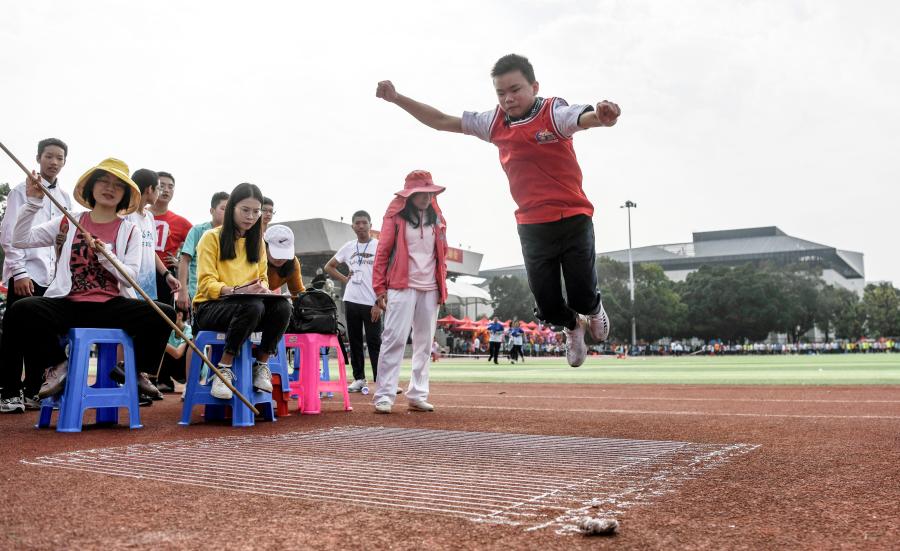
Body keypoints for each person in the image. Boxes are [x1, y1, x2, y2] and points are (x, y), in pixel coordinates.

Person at [376, 53, 618, 367]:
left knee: (582, 296)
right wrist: (397, 98)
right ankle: (572, 327)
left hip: (573, 217)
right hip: (532, 225)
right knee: (547, 307)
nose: (508, 99)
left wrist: (602, 116)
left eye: (515, 90)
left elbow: (583, 118)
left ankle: (593, 310)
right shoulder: (494, 122)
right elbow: (442, 121)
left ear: (534, 86)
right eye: (501, 93)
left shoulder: (553, 113)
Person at [0, 158, 176, 413]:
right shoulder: (70, 220)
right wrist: (34, 202)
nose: (110, 188)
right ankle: (58, 365)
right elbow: (21, 239)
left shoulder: (130, 231)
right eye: (103, 181)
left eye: (118, 185)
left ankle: (134, 370)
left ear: (126, 194)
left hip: (111, 307)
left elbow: (130, 277)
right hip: (69, 303)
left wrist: (106, 255)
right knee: (21, 309)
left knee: (164, 313)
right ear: (92, 187)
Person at [192, 182, 292, 400]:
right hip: (210, 308)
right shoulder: (211, 237)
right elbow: (206, 285)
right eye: (245, 210)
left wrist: (262, 288)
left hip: (248, 308)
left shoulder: (258, 243)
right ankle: (223, 370)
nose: (251, 217)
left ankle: (261, 365)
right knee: (252, 306)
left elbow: (263, 277)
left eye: (256, 211)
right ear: (232, 209)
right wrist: (236, 290)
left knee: (283, 306)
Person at [0, 138, 73, 410]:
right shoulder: (20, 192)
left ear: (64, 162)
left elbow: (62, 238)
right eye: (49, 156)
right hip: (25, 272)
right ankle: (9, 392)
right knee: (15, 334)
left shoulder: (64, 198)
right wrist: (19, 272)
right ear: (38, 158)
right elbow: (9, 235)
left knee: (41, 334)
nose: (54, 162)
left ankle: (33, 390)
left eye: (59, 158)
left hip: (51, 277)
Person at [371, 171, 447, 414]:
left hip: (430, 288)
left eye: (430, 193)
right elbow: (382, 252)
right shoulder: (395, 216)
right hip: (400, 286)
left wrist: (442, 287)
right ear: (410, 195)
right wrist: (379, 287)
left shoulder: (438, 217)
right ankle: (384, 395)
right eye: (421, 193)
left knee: (424, 344)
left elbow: (442, 254)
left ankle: (417, 394)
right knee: (393, 339)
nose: (426, 197)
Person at [325, 210, 382, 392]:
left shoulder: (379, 246)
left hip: (372, 302)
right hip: (351, 300)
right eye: (357, 223)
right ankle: (359, 379)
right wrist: (345, 279)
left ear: (371, 225)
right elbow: (329, 266)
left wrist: (379, 303)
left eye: (364, 223)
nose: (361, 226)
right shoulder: (349, 247)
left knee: (375, 342)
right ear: (352, 226)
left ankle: (382, 381)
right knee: (355, 341)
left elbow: (386, 275)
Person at [125, 169, 181, 301]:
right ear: (149, 189)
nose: (160, 192)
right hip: (129, 287)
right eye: (158, 188)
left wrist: (167, 274)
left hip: (148, 288)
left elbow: (151, 251)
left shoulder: (149, 217)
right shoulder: (126, 216)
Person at [175, 191, 229, 313]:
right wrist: (182, 291)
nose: (227, 213)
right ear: (212, 211)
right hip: (199, 293)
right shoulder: (198, 230)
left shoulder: (233, 235)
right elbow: (184, 260)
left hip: (225, 294)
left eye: (230, 209)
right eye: (223, 208)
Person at [150, 171, 192, 306]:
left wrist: (181, 263)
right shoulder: (138, 214)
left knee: (163, 314)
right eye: (162, 186)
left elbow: (201, 246)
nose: (166, 190)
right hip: (138, 273)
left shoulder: (181, 222)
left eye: (170, 186)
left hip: (165, 277)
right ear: (152, 188)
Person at [156, 309, 192, 393]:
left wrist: (159, 342)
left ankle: (190, 384)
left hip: (192, 369)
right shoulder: (170, 332)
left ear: (179, 315)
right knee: (161, 349)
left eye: (169, 315)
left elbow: (178, 354)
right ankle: (165, 382)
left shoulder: (189, 330)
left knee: (189, 345)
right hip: (177, 370)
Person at [264, 224, 305, 296]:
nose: (280, 258)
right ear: (265, 247)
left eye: (284, 253)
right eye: (276, 253)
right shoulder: (255, 258)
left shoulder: (292, 263)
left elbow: (297, 292)